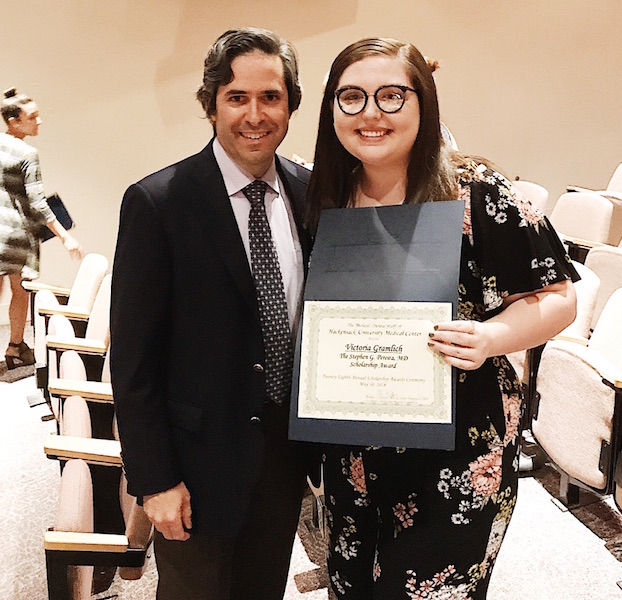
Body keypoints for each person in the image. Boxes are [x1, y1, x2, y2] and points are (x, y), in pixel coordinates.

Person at [305, 37, 578, 599]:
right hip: (354, 449)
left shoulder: (475, 190)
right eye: (351, 97)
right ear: (331, 108)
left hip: (458, 450)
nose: (371, 114)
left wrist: (492, 336)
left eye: (391, 96)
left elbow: (559, 296)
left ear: (423, 103)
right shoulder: (327, 197)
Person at [110, 27, 312, 600]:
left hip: (282, 458)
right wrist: (154, 479)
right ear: (212, 104)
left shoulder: (310, 193)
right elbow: (133, 357)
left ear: (290, 104)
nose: (255, 114)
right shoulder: (159, 202)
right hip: (193, 469)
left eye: (270, 97)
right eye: (237, 97)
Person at [0, 87, 82, 369]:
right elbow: (38, 203)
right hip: (17, 235)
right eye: (32, 117)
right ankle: (14, 348)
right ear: (14, 121)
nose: (39, 122)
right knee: (19, 290)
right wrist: (65, 236)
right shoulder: (27, 153)